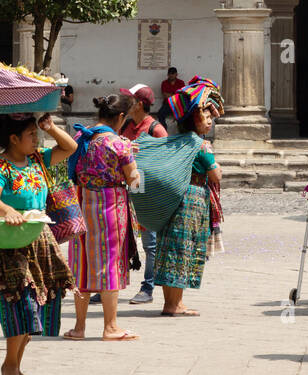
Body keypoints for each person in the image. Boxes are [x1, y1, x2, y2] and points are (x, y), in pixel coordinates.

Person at [0, 112, 77, 375]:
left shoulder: (37, 160)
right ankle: (9, 365)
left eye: (37, 134)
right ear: (14, 138)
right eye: (32, 135)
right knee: (21, 301)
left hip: (39, 238)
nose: (37, 139)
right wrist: (9, 211)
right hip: (10, 242)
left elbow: (70, 148)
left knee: (37, 303)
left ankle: (16, 365)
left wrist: (51, 126)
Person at [64, 94, 141, 341]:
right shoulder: (120, 144)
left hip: (82, 203)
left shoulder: (81, 137)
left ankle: (79, 327)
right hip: (110, 207)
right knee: (109, 264)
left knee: (82, 263)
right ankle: (110, 327)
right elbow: (133, 180)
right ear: (120, 117)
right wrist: (136, 168)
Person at [155, 77, 224, 316]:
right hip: (193, 198)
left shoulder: (175, 141)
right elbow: (215, 176)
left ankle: (172, 302)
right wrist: (216, 168)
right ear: (195, 121)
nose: (209, 123)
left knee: (169, 249)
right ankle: (174, 305)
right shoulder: (201, 145)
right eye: (206, 118)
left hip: (172, 196)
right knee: (184, 249)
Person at [120, 84, 167, 305]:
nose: (125, 102)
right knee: (120, 237)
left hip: (146, 188)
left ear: (139, 104)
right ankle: (109, 285)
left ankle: (147, 287)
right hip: (125, 185)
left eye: (129, 99)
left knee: (149, 242)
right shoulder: (126, 125)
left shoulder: (156, 129)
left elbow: (165, 160)